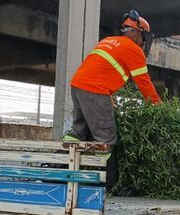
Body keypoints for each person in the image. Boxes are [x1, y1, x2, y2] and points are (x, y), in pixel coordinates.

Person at [64, 10, 162, 190]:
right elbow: (144, 82)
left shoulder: (107, 41)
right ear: (136, 32)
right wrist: (157, 105)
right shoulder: (133, 49)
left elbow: (100, 70)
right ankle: (108, 186)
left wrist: (107, 98)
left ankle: (58, 172)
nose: (143, 42)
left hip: (77, 86)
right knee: (106, 139)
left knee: (77, 134)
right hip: (95, 91)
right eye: (143, 37)